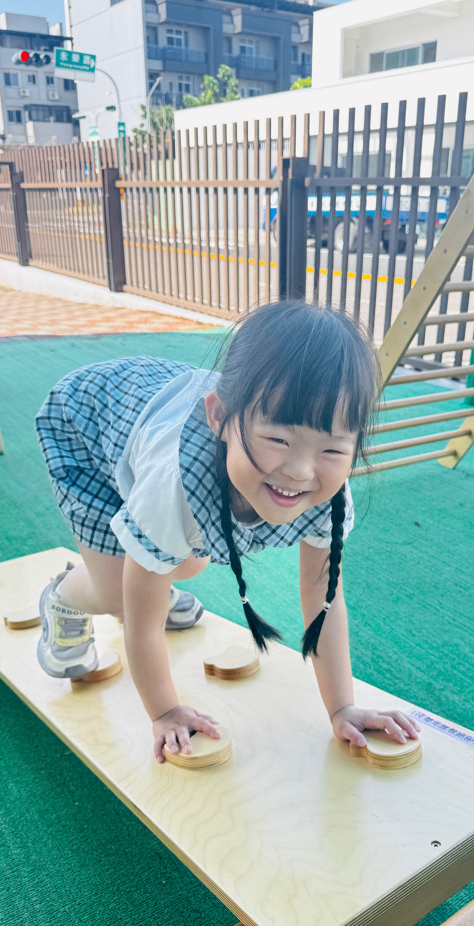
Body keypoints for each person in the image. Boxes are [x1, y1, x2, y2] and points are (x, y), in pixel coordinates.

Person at [35, 301, 420, 762]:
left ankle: (152, 583)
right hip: (87, 423)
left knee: (184, 562)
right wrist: (165, 712)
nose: (301, 471)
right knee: (122, 592)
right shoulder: (172, 487)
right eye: (278, 439)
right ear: (218, 417)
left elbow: (325, 599)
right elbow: (142, 629)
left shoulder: (328, 490)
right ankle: (62, 598)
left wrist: (342, 707)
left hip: (158, 423)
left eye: (333, 449)